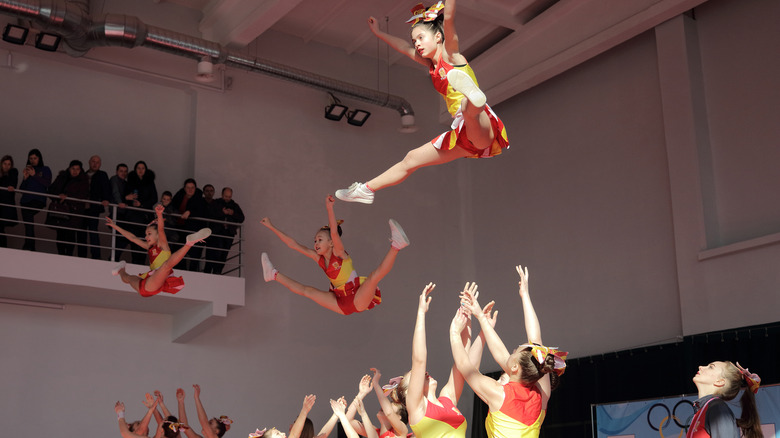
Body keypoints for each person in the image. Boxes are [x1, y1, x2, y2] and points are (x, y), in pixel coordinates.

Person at [335, 0, 509, 204]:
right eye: (414, 39)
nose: (416, 43)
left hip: (480, 122)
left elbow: (450, 18)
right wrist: (378, 33)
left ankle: (473, 98)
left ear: (437, 36)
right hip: (464, 138)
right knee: (411, 159)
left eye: (420, 37)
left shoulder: (451, 54)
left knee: (467, 109)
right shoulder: (430, 65)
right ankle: (365, 190)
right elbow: (403, 47)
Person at [452, 266, 567, 438]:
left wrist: (454, 331)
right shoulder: (541, 395)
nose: (510, 352)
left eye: (514, 351)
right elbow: (534, 341)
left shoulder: (499, 394)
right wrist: (525, 295)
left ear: (514, 367)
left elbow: (465, 365)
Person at [260, 194, 409, 315]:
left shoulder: (339, 253)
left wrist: (329, 208)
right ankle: (272, 274)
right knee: (307, 291)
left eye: (320, 240)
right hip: (339, 302)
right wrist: (271, 226)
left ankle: (396, 245)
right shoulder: (318, 258)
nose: (316, 243)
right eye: (315, 241)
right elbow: (293, 244)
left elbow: (333, 231)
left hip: (356, 297)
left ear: (331, 242)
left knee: (374, 277)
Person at [387, 282, 491, 438]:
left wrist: (466, 312)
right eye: (416, 375)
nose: (424, 373)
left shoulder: (447, 398)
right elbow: (419, 360)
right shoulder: (417, 408)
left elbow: (462, 359)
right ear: (410, 392)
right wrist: (421, 313)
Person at [107, 203, 211, 297]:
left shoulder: (162, 245)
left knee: (166, 266)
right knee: (128, 278)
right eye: (146, 234)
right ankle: (121, 270)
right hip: (147, 286)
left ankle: (189, 244)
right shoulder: (149, 247)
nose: (146, 237)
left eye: (149, 234)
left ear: (157, 236)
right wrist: (114, 226)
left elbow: (161, 229)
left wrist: (159, 214)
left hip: (154, 282)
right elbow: (132, 238)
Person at [688, 361, 763, 438]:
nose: (700, 366)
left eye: (711, 367)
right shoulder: (703, 409)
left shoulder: (717, 409)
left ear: (720, 382)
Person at [48, 160, 90, 256]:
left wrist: (68, 196)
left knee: (70, 235)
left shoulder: (83, 180)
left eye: (77, 169)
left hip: (74, 213)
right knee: (60, 234)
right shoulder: (62, 177)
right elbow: (51, 190)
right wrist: (59, 196)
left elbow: (83, 195)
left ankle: (68, 256)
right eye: (73, 169)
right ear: (69, 168)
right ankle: (61, 255)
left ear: (81, 170)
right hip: (60, 211)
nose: (75, 171)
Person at [203, 187, 244, 275]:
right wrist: (222, 212)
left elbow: (242, 218)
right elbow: (209, 214)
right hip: (216, 233)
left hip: (228, 234)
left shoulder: (234, 205)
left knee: (223, 255)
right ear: (222, 195)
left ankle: (217, 272)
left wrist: (232, 213)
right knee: (214, 254)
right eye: (226, 196)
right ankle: (209, 272)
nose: (227, 198)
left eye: (229, 197)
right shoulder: (216, 203)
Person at [125, 160, 158, 265]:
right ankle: (135, 262)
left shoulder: (150, 182)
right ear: (135, 170)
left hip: (145, 217)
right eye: (138, 168)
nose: (140, 170)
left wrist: (142, 204)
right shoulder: (130, 182)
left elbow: (154, 198)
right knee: (134, 241)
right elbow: (124, 196)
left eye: (143, 168)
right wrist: (129, 198)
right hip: (133, 217)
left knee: (145, 240)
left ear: (146, 170)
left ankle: (141, 263)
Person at [18, 148, 52, 250]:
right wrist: (25, 178)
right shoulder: (28, 170)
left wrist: (35, 175)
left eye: (35, 158)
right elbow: (21, 189)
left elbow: (47, 183)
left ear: (39, 158)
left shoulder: (45, 169)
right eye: (31, 158)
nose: (33, 160)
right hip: (25, 201)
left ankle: (28, 247)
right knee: (28, 224)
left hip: (38, 200)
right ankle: (30, 247)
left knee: (28, 219)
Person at [171, 178, 208, 271]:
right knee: (178, 250)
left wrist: (189, 211)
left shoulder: (199, 199)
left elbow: (200, 210)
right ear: (184, 188)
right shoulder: (180, 195)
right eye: (188, 187)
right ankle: (180, 270)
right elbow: (172, 205)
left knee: (194, 254)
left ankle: (192, 272)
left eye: (192, 187)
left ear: (195, 188)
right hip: (180, 228)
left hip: (194, 231)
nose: (190, 190)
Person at [80, 154, 111, 259]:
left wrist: (106, 199)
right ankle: (82, 256)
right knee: (81, 232)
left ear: (100, 164)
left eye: (97, 162)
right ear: (89, 162)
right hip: (82, 208)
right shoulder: (83, 175)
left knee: (93, 231)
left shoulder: (102, 175)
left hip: (94, 208)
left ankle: (96, 256)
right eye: (93, 161)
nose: (95, 164)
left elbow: (106, 188)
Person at [110, 163, 130, 261]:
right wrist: (120, 202)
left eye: (125, 171)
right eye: (121, 171)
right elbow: (115, 192)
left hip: (122, 215)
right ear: (116, 171)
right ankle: (113, 258)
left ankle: (114, 258)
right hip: (116, 213)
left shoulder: (126, 184)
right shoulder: (114, 179)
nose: (123, 173)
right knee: (121, 237)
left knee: (122, 238)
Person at [0, 155, 19, 247]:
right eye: (4, 164)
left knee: (0, 228)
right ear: (1, 164)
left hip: (5, 206)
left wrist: (12, 186)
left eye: (9, 164)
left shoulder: (13, 172)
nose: (6, 166)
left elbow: (13, 181)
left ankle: (3, 248)